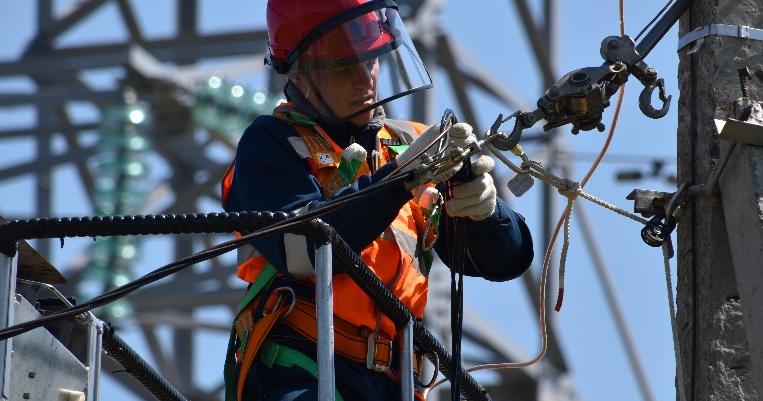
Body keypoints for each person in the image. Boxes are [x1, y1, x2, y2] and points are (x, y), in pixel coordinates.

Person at [221, 0, 534, 400]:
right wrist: (400, 179)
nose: (364, 80)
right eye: (343, 67)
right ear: (299, 73)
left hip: (394, 383)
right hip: (303, 368)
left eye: (370, 61)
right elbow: (301, 250)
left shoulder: (408, 144)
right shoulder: (271, 143)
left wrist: (486, 212)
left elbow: (503, 261)